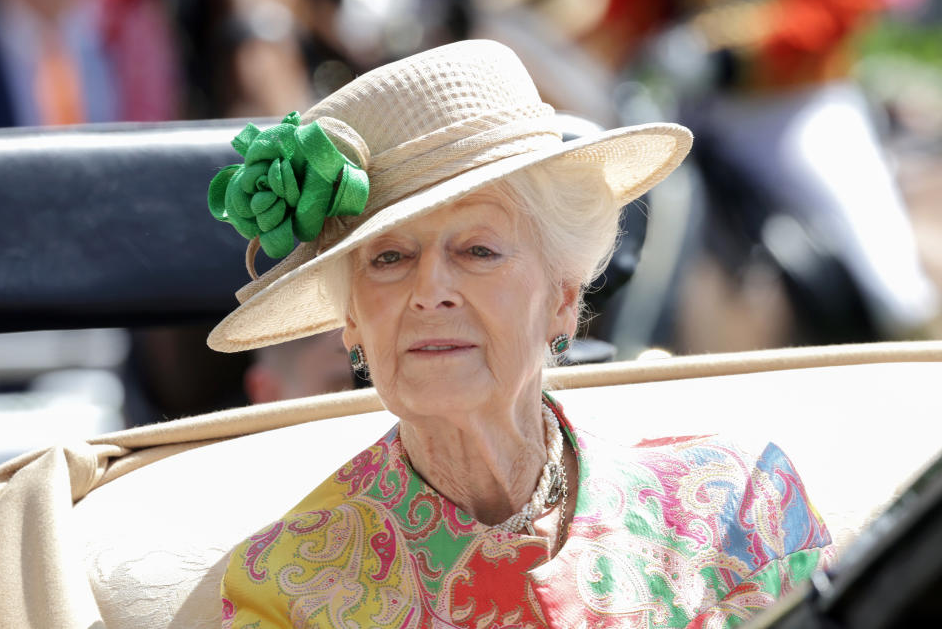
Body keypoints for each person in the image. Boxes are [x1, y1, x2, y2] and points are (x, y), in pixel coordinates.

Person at [205, 40, 834, 628]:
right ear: (352, 321)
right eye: (389, 259)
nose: (429, 291)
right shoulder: (289, 587)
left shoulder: (738, 506)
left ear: (563, 297)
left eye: (478, 250)